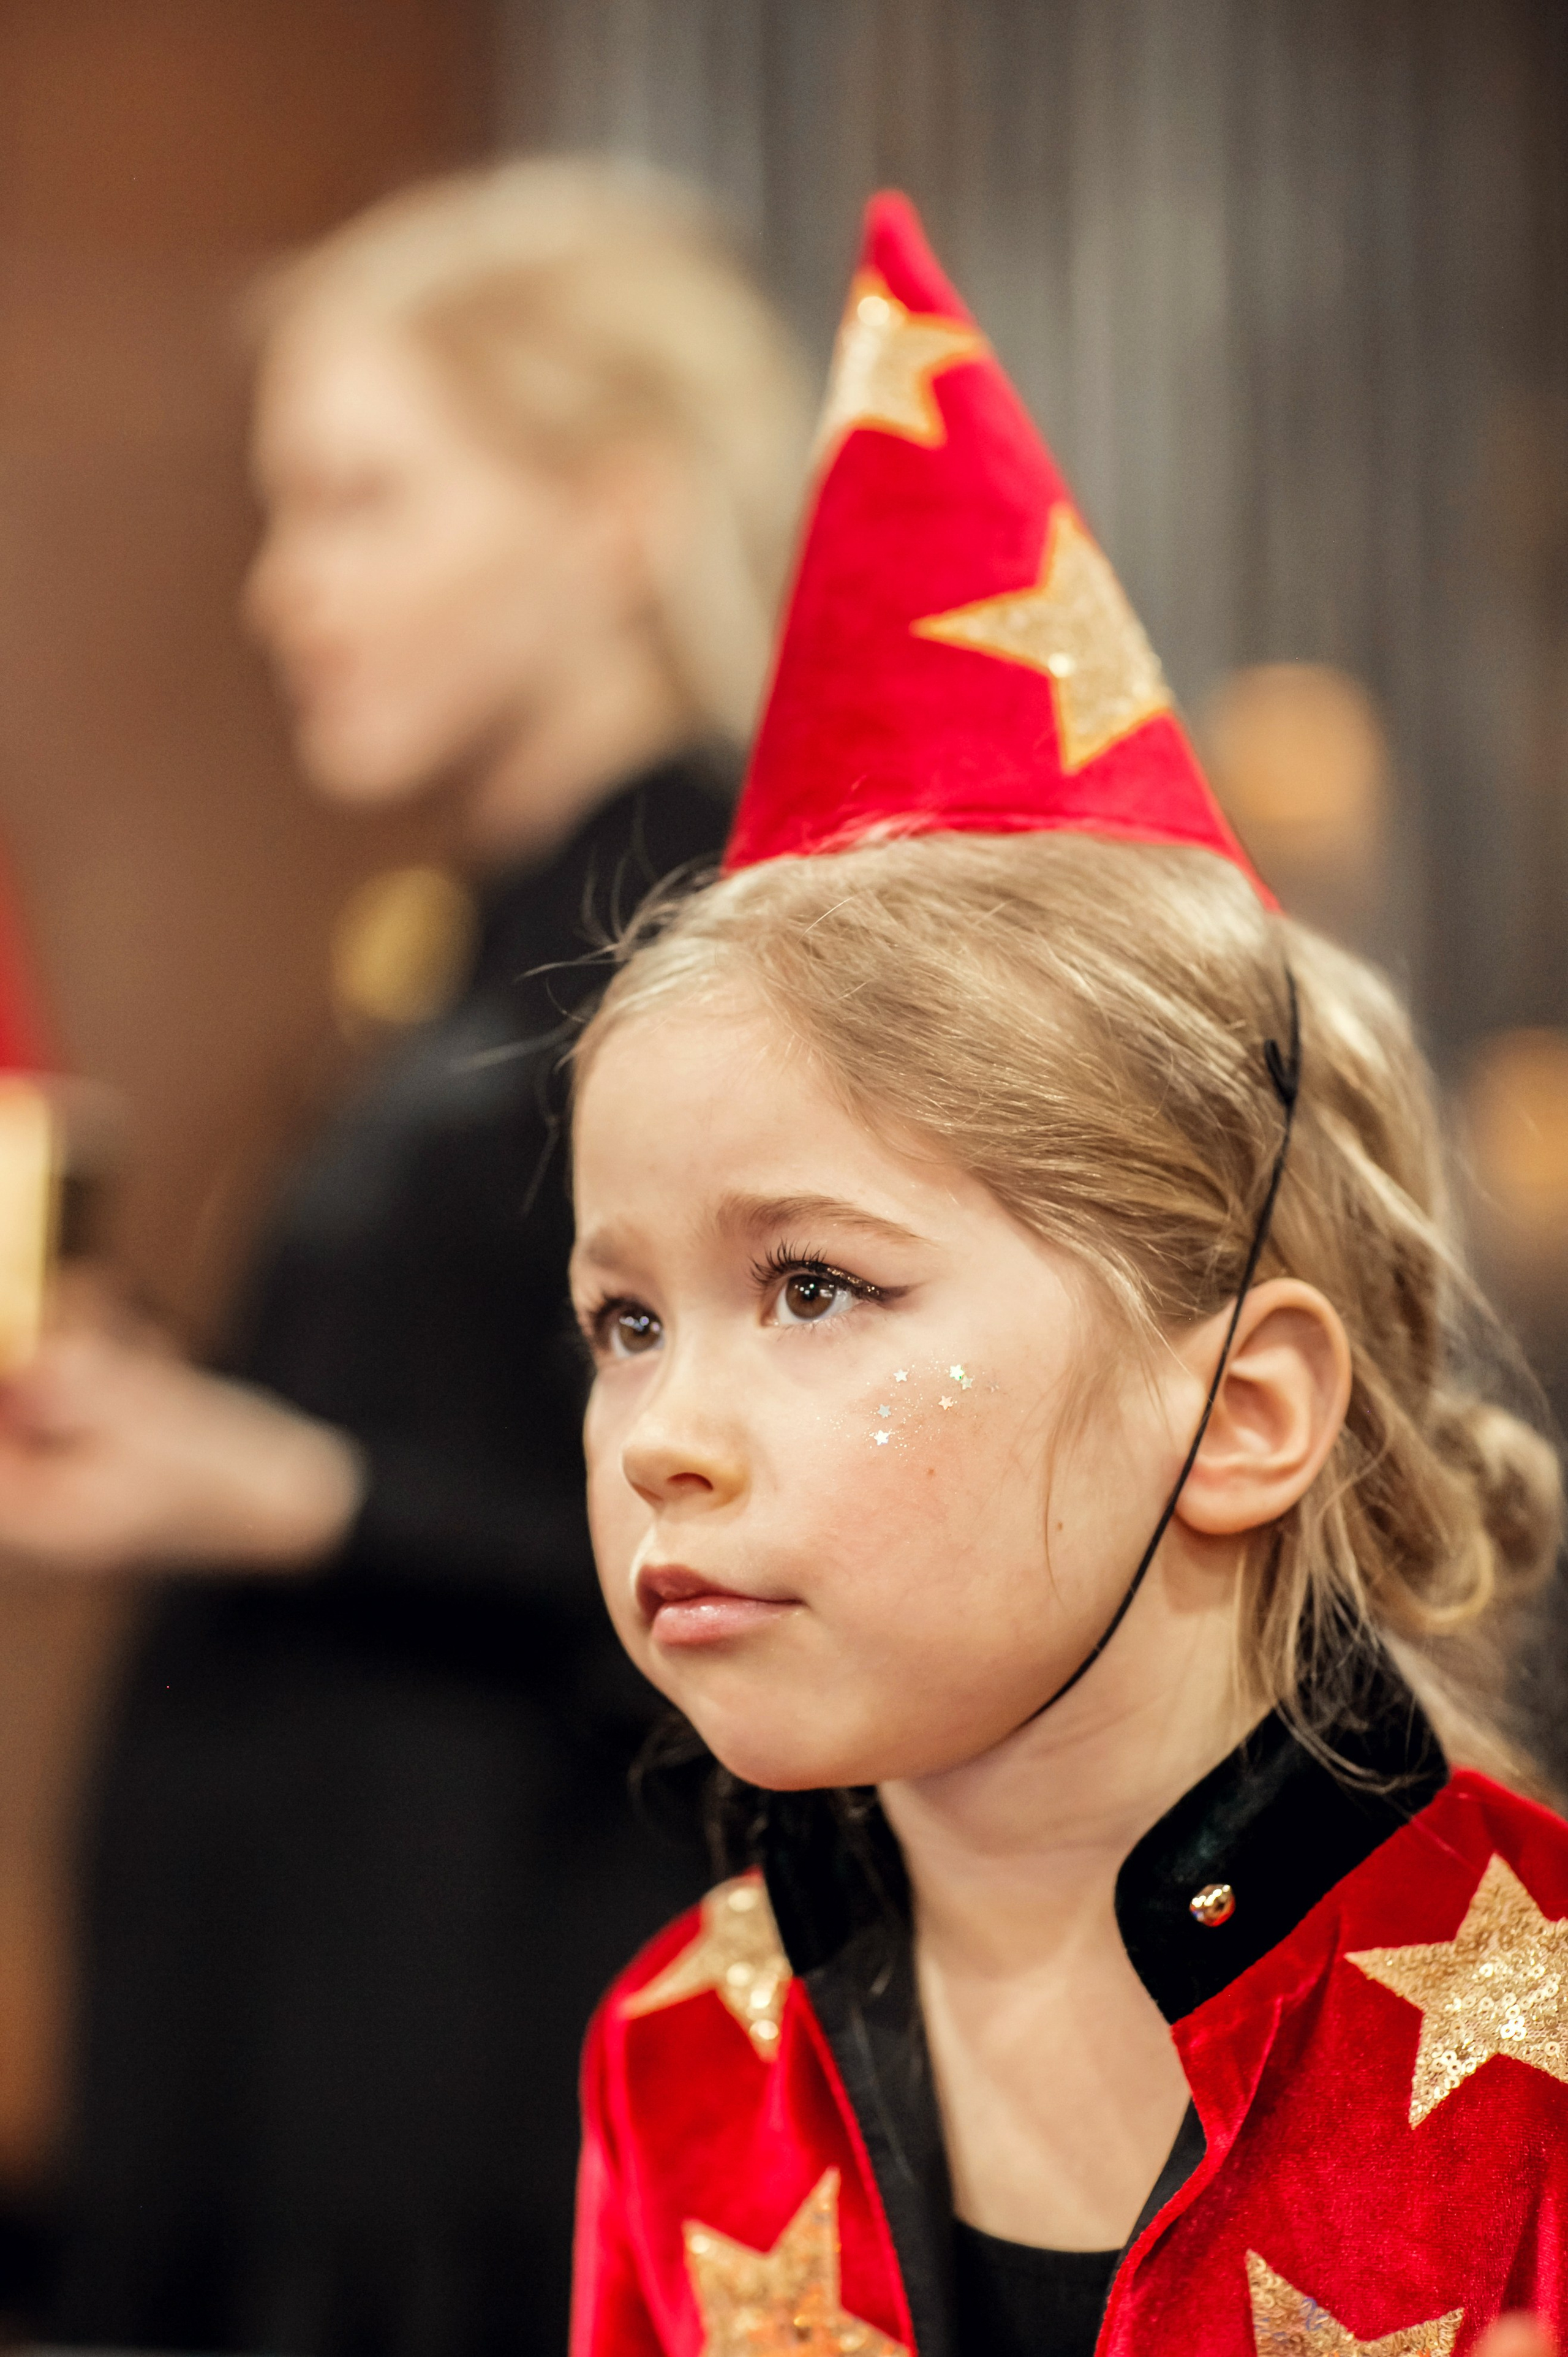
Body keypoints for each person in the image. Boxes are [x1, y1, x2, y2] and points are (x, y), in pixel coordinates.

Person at [564, 197, 1568, 2357]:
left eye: (815, 1286)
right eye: (623, 1319)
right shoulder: (682, 2055)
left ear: (1244, 1412)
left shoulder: (1548, 2058)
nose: (664, 1437)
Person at [0, 160, 806, 2357]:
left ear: (612, 517)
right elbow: (441, 1416)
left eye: (358, 503)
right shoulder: (468, 947)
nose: (280, 593)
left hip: (498, 2129)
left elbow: (800, 1554)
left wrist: (270, 1492)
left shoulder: (751, 946)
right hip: (322, 2098)